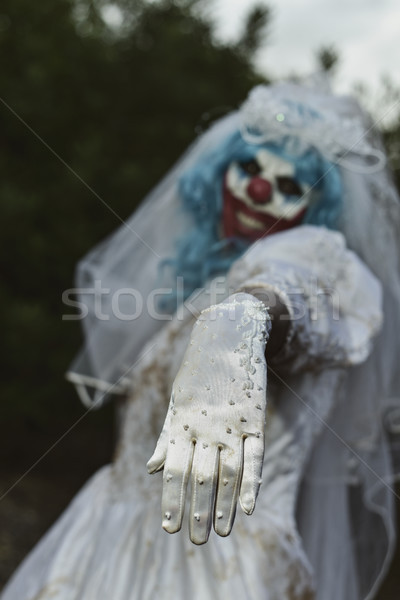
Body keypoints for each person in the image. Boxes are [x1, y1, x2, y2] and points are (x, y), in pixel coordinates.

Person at [2, 81, 400, 600]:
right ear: (219, 172)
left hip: (214, 573)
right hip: (102, 545)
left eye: (289, 185)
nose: (259, 191)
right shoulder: (207, 288)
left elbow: (295, 298)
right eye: (252, 169)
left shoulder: (312, 258)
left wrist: (242, 318)